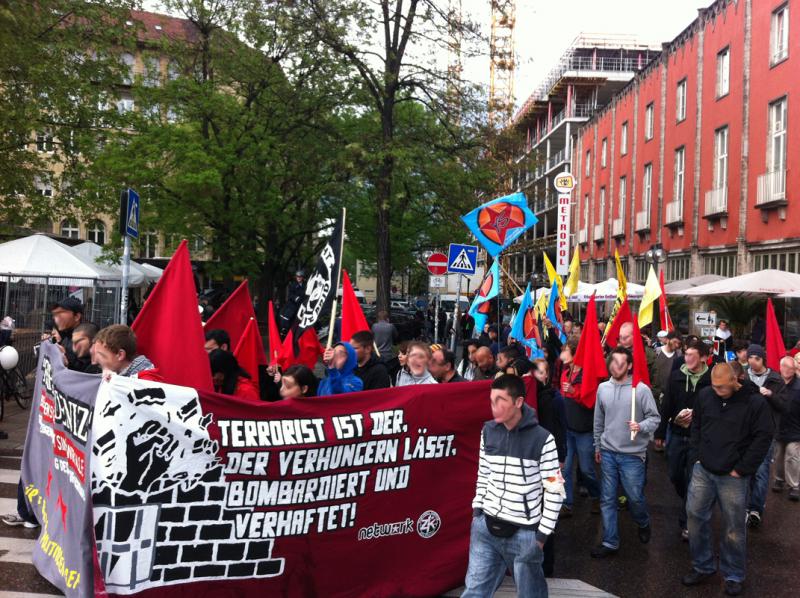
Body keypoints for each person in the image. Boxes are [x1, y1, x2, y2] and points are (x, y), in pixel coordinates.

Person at [462, 374, 564, 598]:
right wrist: (477, 512)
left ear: (518, 402)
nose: (494, 407)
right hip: (485, 526)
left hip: (525, 533)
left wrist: (541, 537)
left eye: (501, 401)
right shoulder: (487, 431)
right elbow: (484, 474)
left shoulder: (543, 439)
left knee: (530, 594)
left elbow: (555, 491)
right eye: (491, 401)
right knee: (474, 592)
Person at [682, 364, 773, 596]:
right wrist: (696, 458)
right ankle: (702, 566)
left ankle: (733, 574)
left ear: (736, 379)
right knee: (694, 516)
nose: (717, 391)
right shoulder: (705, 395)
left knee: (733, 527)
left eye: (722, 387)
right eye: (714, 386)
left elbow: (763, 437)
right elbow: (697, 427)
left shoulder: (755, 403)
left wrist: (742, 469)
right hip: (704, 469)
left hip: (733, 476)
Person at [591, 347, 660, 558]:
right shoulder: (602, 388)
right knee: (608, 499)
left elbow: (655, 418)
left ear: (629, 365)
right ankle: (610, 541)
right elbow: (598, 420)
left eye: (620, 362)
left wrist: (640, 426)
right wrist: (597, 445)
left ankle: (643, 521)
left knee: (634, 498)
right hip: (608, 451)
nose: (615, 366)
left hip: (632, 455)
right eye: (613, 361)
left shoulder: (640, 389)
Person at [654, 341, 711, 539]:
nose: (687, 358)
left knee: (693, 479)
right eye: (686, 354)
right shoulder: (677, 376)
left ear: (704, 357)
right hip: (677, 433)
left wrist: (698, 415)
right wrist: (660, 433)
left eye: (692, 355)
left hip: (699, 437)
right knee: (674, 474)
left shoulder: (711, 378)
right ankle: (688, 498)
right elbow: (667, 403)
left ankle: (686, 521)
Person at [744, 343, 787, 528]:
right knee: (747, 470)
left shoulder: (776, 380)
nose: (753, 362)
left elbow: (784, 405)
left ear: (763, 359)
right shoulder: (743, 376)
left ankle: (755, 509)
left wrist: (770, 394)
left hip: (767, 431)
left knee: (761, 471)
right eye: (750, 358)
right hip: (745, 431)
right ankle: (747, 505)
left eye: (757, 358)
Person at [558, 339, 600, 518]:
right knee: (565, 469)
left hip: (584, 432)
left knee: (586, 469)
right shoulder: (565, 373)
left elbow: (591, 403)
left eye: (565, 351)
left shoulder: (587, 376)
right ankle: (567, 503)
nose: (562, 355)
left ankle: (596, 496)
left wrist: (575, 393)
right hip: (567, 430)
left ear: (574, 353)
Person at [772, 356, 800, 499]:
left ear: (795, 369)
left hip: (795, 427)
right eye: (785, 366)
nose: (787, 370)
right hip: (778, 426)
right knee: (778, 455)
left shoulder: (799, 386)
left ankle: (794, 485)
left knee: (792, 455)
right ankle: (779, 479)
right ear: (780, 367)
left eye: (790, 368)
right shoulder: (775, 384)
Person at [92, 325, 158, 379]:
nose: (96, 361)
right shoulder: (120, 376)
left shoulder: (146, 381)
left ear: (120, 355)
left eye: (102, 355)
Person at [44, 297, 84, 368]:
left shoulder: (85, 338)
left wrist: (65, 354)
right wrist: (52, 342)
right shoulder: (66, 337)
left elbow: (83, 369)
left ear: (77, 316)